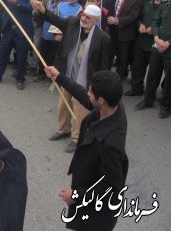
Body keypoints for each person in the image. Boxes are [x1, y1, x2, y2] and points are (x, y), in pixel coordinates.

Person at [44, 67, 128, 231]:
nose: (88, 94)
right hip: (87, 186)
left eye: (91, 92)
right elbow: (84, 96)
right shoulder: (112, 107)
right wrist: (60, 77)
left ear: (101, 100)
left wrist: (76, 196)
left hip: (95, 213)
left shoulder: (111, 144)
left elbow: (110, 187)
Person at [32, 2, 112, 153]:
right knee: (63, 104)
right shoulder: (71, 23)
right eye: (83, 15)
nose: (84, 18)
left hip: (85, 80)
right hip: (67, 75)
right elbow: (54, 19)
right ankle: (63, 130)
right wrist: (42, 9)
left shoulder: (103, 38)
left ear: (96, 20)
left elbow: (104, 65)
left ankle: (77, 138)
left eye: (89, 17)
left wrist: (97, 86)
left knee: (81, 110)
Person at [125, 0, 168, 98]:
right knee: (137, 66)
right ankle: (136, 88)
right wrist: (140, 25)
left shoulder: (167, 5)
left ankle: (150, 94)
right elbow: (138, 17)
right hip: (142, 39)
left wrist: (154, 31)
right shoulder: (146, 1)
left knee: (154, 73)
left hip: (155, 42)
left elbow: (166, 24)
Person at [135, 0, 171, 119]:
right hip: (157, 46)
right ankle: (147, 100)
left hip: (169, 50)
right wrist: (156, 38)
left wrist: (168, 42)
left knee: (168, 81)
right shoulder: (165, 5)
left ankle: (166, 106)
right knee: (152, 75)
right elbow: (156, 21)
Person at [107, 0, 142, 79]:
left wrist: (117, 21)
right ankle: (106, 77)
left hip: (125, 33)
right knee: (108, 55)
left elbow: (133, 16)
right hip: (110, 31)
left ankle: (118, 80)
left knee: (122, 59)